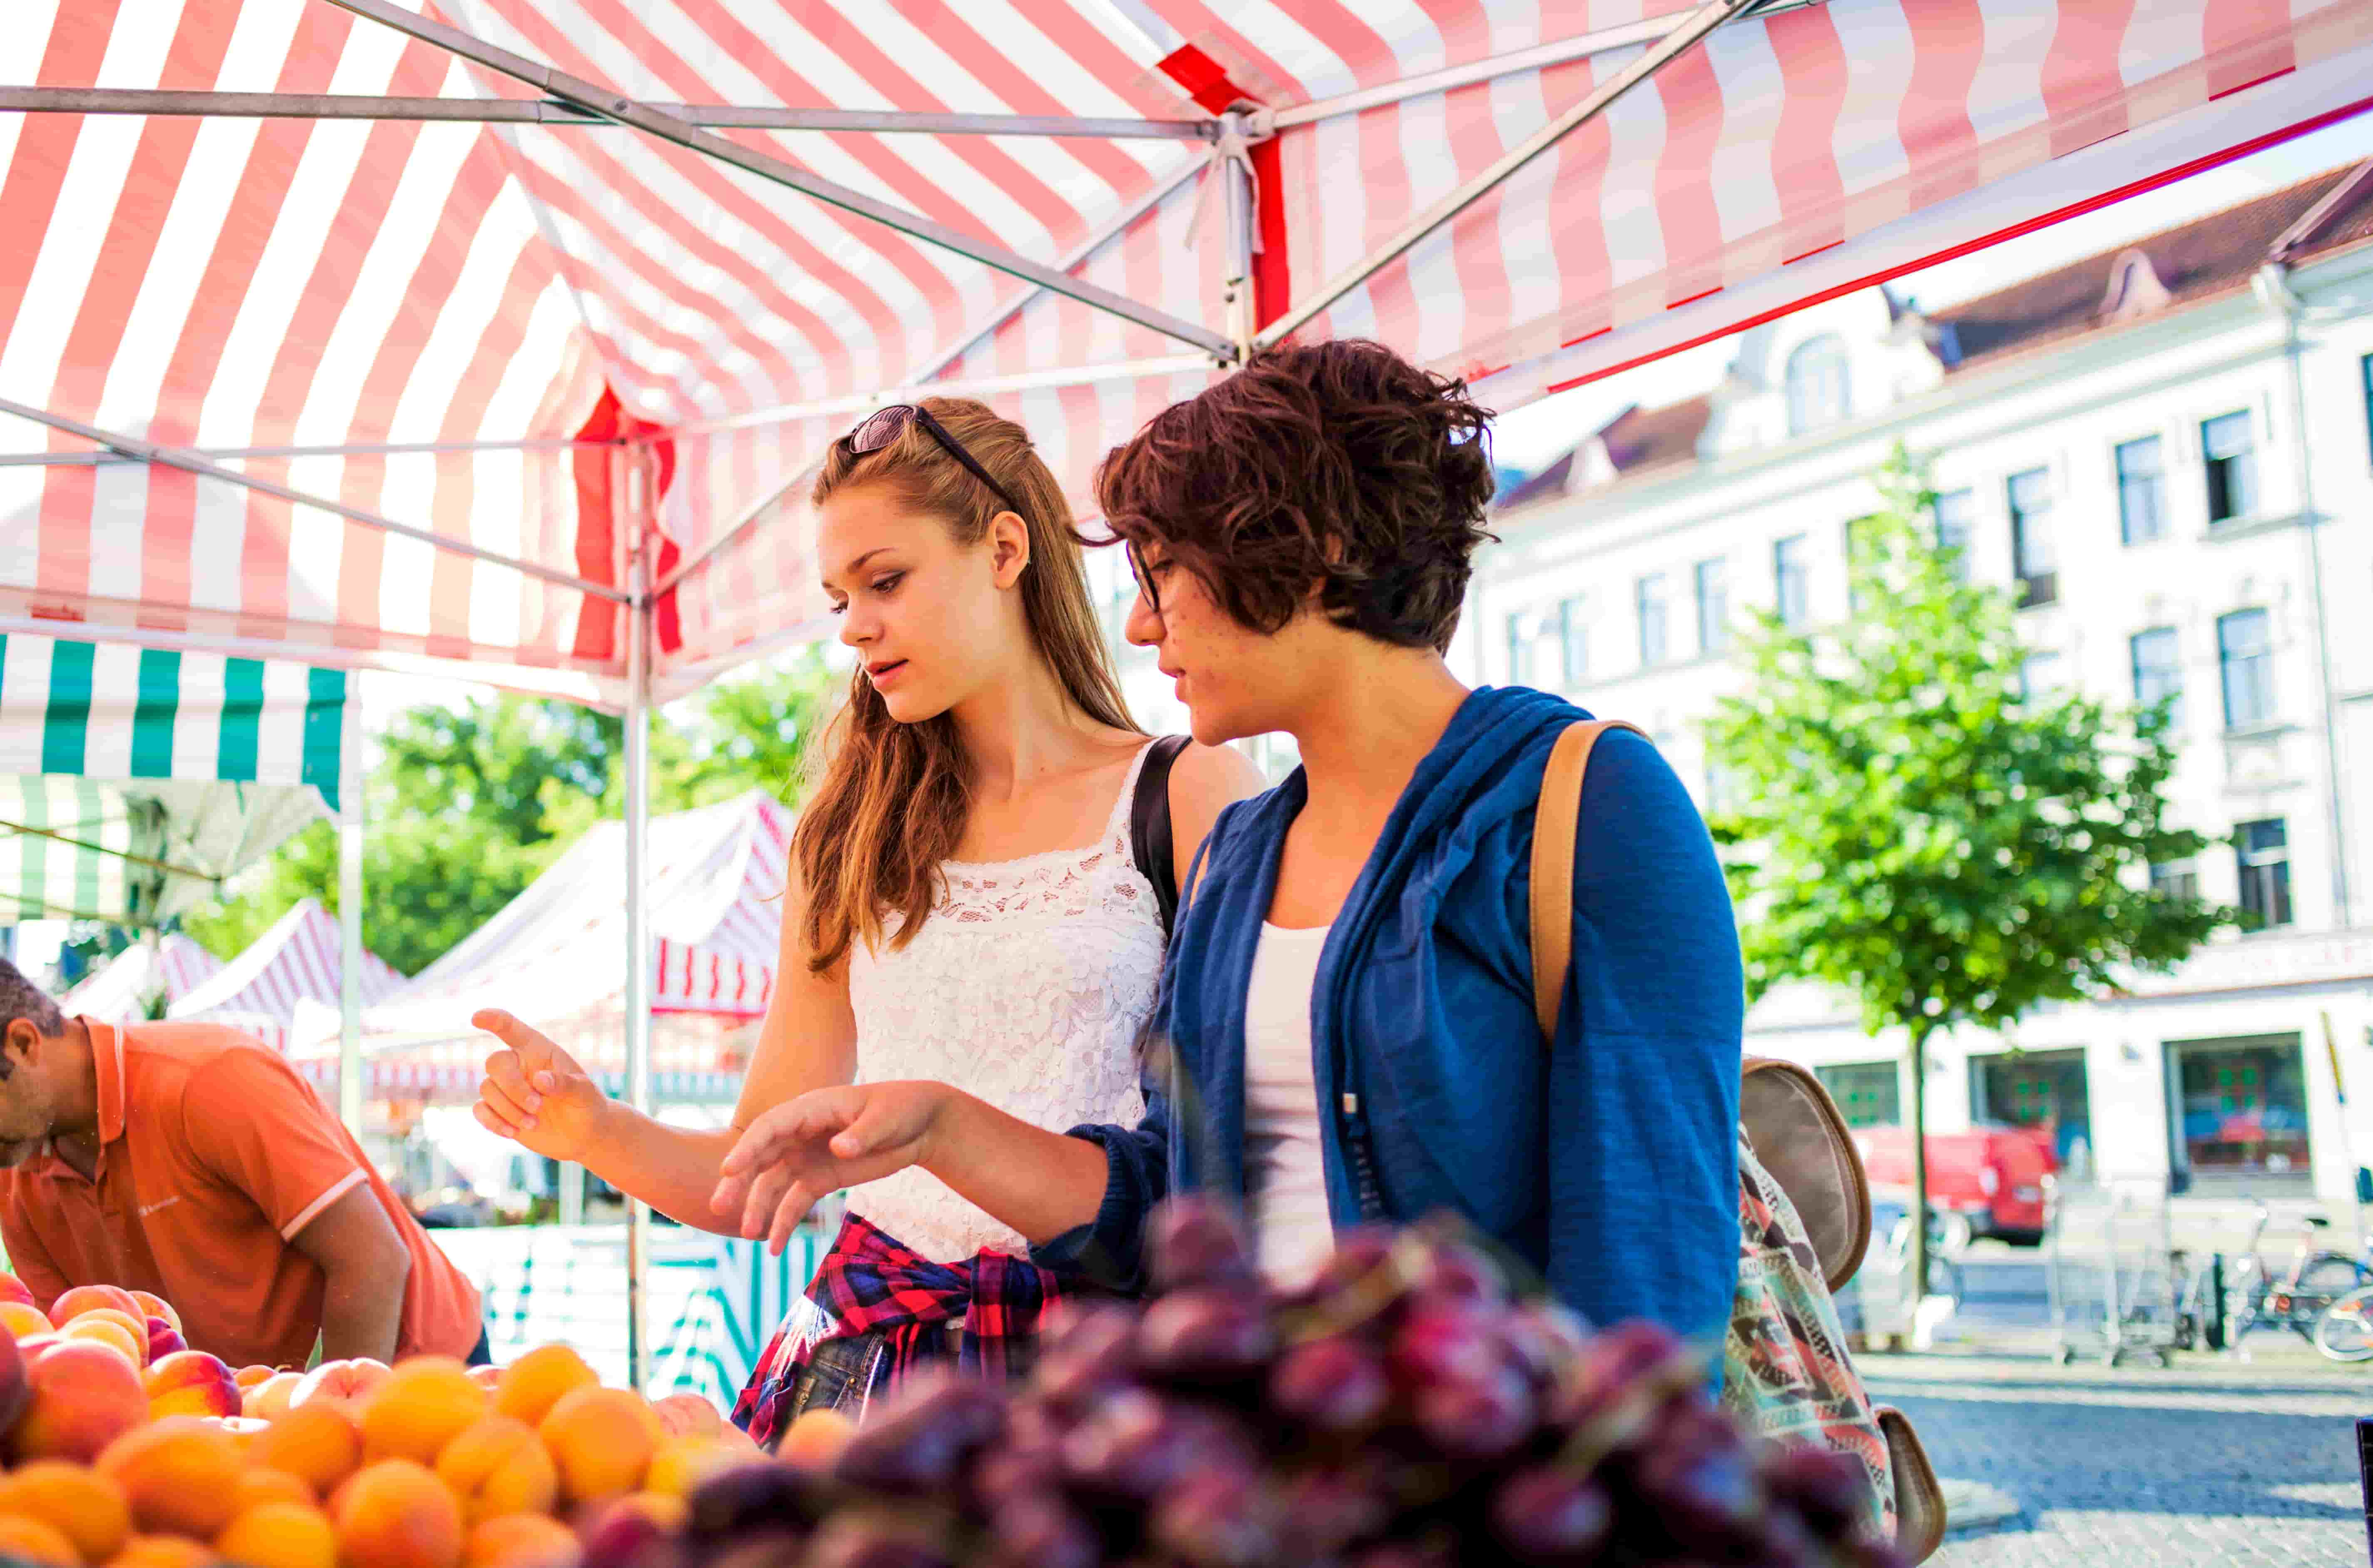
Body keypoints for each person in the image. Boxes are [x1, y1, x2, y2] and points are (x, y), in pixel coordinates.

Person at [708, 343, 1742, 1345]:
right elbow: (1169, 1205)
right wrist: (940, 1127)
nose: (1144, 627)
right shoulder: (1247, 852)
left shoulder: (1587, 798)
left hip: (1473, 1488)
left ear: (1305, 553)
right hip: (1258, 1493)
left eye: (1163, 572)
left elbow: (1649, 1257)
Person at [470, 398, 1259, 1440]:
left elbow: (1236, 1164)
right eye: (840, 596)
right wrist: (592, 1129)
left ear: (1005, 549)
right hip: (862, 1373)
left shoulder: (1189, 791)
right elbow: (755, 1176)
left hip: (1104, 1380)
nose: (852, 625)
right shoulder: (846, 833)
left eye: (885, 581)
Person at [0, 958, 485, 1369]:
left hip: (417, 1364)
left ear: (23, 1044)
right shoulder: (14, 1164)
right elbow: (87, 1354)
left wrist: (328, 1425)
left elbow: (374, 1259)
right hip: (254, 1409)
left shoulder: (209, 1079)